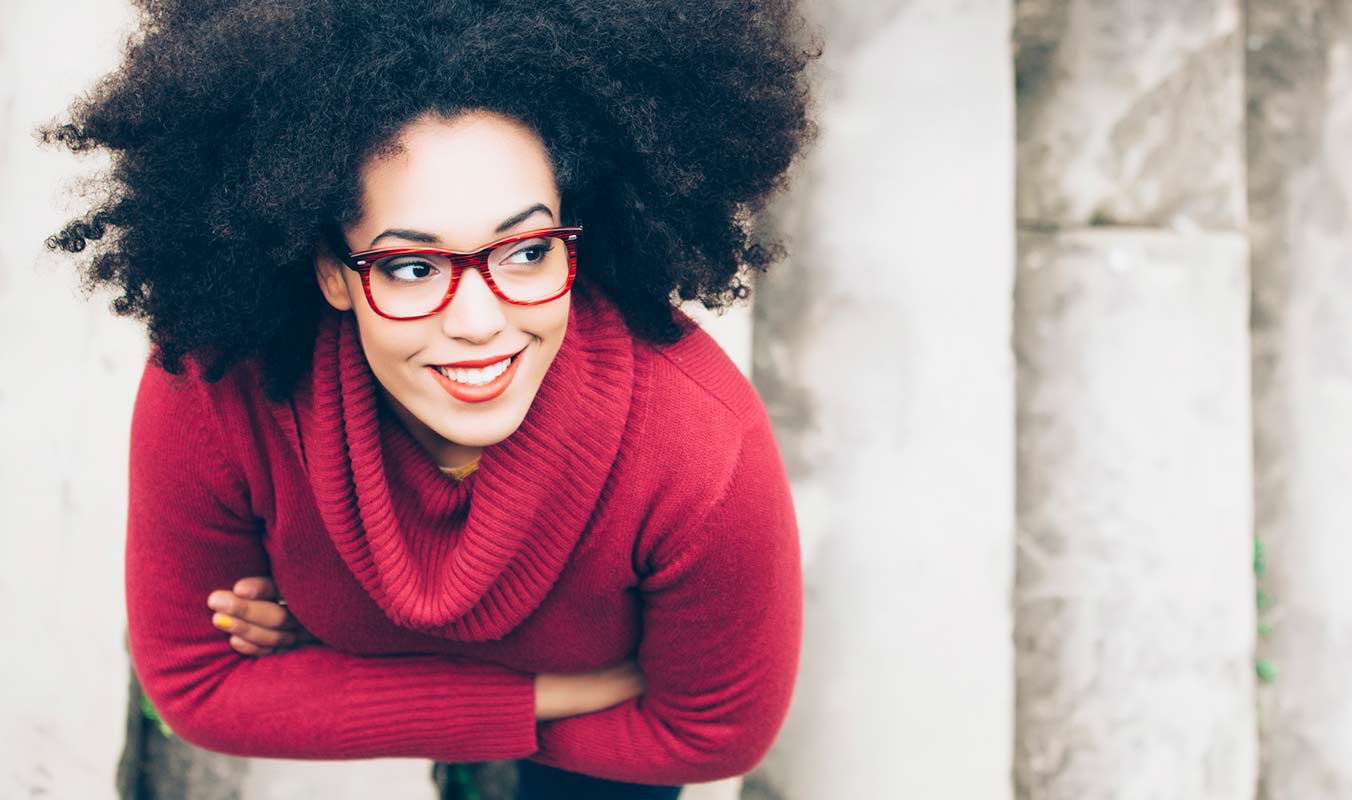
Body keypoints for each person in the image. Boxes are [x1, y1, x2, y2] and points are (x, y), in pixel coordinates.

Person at [45, 1, 815, 796]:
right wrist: (546, 694)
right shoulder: (220, 389)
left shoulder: (699, 449)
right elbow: (198, 691)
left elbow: (710, 734)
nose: (480, 322)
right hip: (594, 699)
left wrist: (346, 673)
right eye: (412, 267)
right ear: (335, 273)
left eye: (525, 250)